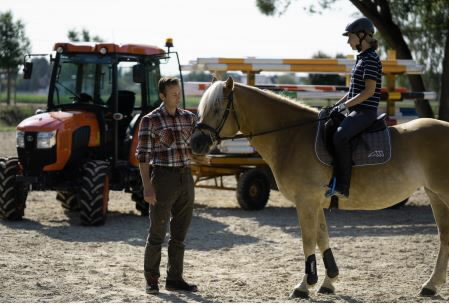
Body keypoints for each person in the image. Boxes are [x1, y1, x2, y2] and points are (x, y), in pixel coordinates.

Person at [136, 77, 198, 295]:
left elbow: (199, 144)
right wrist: (147, 186)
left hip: (186, 178)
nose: (177, 96)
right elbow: (142, 157)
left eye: (178, 92)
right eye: (173, 93)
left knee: (180, 234)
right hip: (163, 179)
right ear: (162, 95)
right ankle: (152, 280)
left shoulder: (189, 118)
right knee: (157, 233)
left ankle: (175, 279)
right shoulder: (150, 120)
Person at [325, 17, 382, 198]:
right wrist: (336, 105)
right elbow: (352, 92)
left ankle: (343, 186)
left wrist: (344, 107)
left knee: (341, 136)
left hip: (365, 112)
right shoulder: (361, 58)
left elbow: (369, 91)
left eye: (350, 37)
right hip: (356, 110)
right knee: (328, 124)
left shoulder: (371, 59)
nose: (348, 41)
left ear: (362, 36)